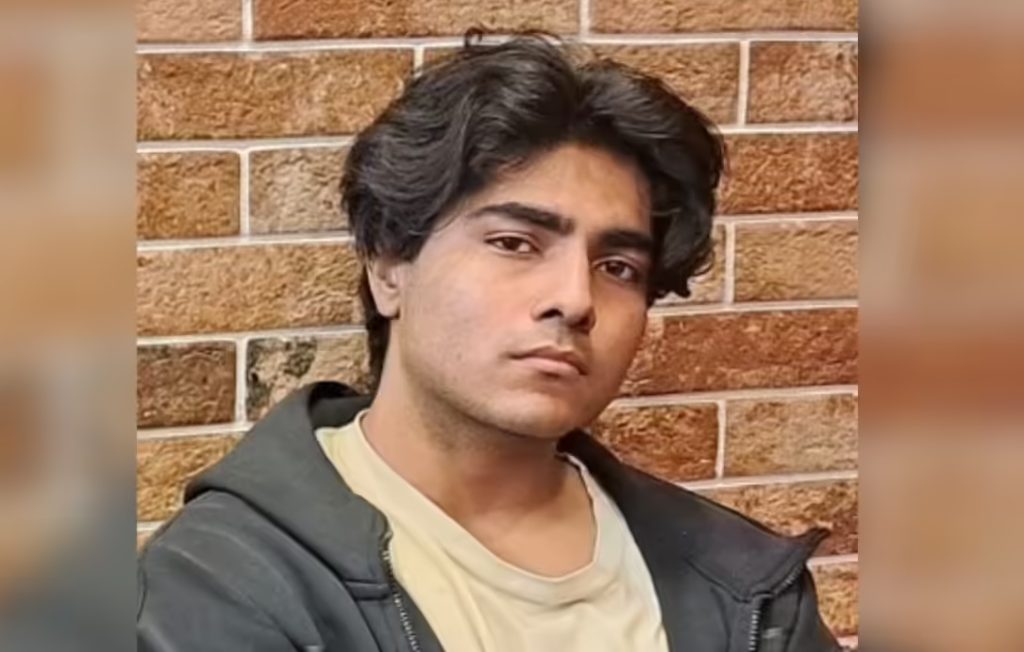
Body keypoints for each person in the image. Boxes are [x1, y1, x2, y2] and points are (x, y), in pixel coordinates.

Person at [137, 32, 842, 652]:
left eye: (618, 267)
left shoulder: (741, 586)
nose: (575, 298)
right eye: (514, 243)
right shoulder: (230, 582)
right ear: (390, 267)